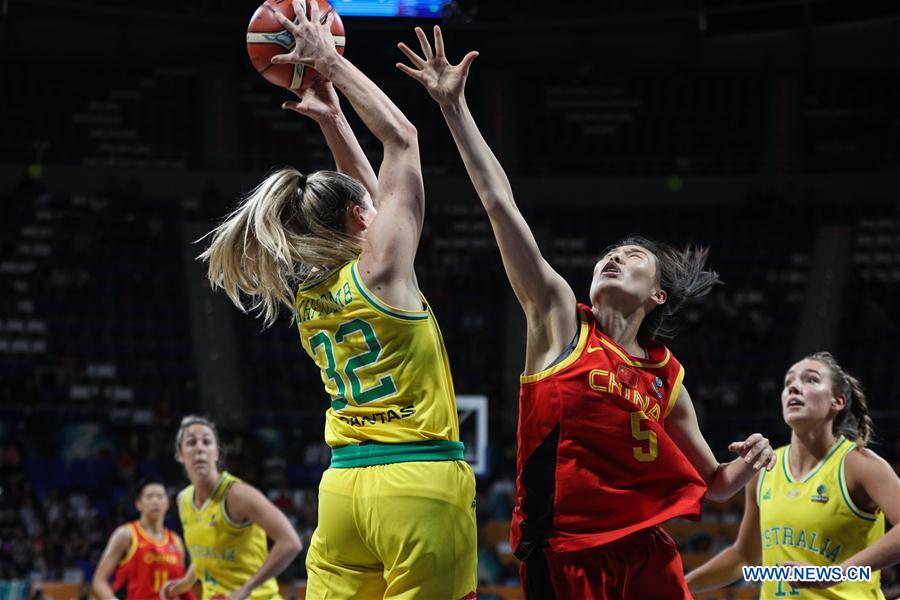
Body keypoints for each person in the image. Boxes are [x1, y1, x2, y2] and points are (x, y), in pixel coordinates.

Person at [397, 26, 777, 599]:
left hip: (647, 551)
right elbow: (501, 205)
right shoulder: (558, 320)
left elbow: (716, 486)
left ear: (658, 297)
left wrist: (751, 461)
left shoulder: (667, 379)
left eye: (634, 257)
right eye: (610, 253)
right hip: (566, 552)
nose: (615, 256)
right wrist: (453, 108)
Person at [199, 3, 477, 598]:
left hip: (344, 492)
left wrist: (331, 121)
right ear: (359, 219)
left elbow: (366, 193)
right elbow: (402, 139)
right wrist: (333, 64)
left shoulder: (313, 288)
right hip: (419, 482)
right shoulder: (380, 272)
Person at [686, 352, 900, 598]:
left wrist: (834, 574)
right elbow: (744, 557)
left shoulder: (860, 465)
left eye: (810, 380)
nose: (794, 387)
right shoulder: (764, 469)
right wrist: (683, 585)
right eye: (788, 383)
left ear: (837, 401)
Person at [159, 416, 301, 600]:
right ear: (180, 454)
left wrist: (247, 588)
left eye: (207, 442)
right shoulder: (183, 500)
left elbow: (290, 542)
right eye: (192, 442)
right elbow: (206, 550)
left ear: (216, 452)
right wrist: (187, 581)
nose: (200, 448)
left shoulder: (238, 495)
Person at [91, 477, 194, 600]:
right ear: (138, 504)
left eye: (160, 496)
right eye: (149, 497)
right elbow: (99, 581)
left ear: (167, 503)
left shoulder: (176, 541)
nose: (155, 501)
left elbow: (182, 587)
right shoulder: (126, 534)